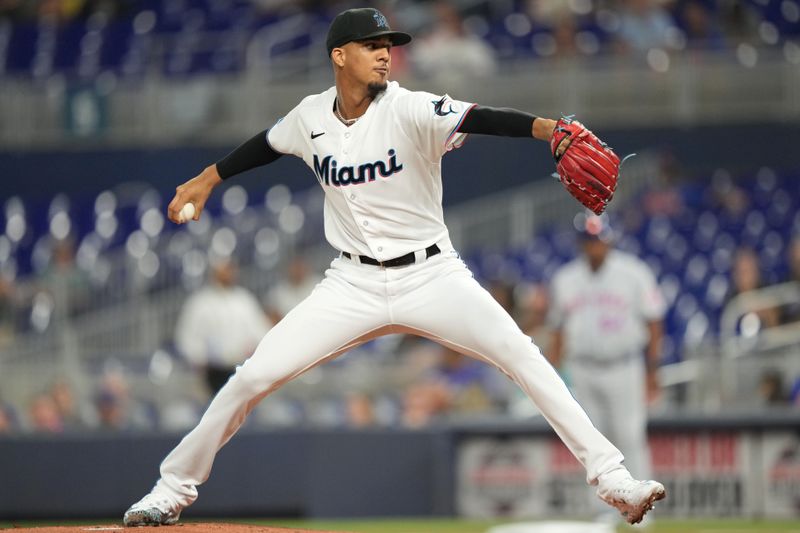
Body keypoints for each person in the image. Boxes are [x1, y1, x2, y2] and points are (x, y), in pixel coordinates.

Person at [123, 7, 665, 527]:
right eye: (372, 46)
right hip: (352, 281)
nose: (385, 55)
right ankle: (171, 489)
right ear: (339, 56)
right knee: (252, 378)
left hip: (432, 275)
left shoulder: (409, 107)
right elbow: (263, 146)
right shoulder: (309, 117)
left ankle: (613, 478)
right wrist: (208, 178)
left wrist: (549, 129)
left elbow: (481, 117)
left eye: (389, 46)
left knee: (523, 355)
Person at [548, 213, 666, 522]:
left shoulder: (634, 272)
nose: (595, 247)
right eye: (589, 241)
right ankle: (603, 512)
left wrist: (653, 371)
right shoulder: (565, 279)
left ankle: (645, 510)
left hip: (625, 365)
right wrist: (554, 376)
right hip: (583, 368)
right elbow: (557, 332)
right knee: (590, 444)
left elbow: (654, 322)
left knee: (630, 435)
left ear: (610, 239)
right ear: (580, 243)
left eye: (599, 240)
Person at [175, 257, 273, 395]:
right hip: (211, 372)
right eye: (222, 270)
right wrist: (200, 358)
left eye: (229, 269)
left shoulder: (244, 300)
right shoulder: (200, 302)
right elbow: (187, 337)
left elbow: (262, 332)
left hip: (241, 369)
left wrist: (254, 352)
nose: (227, 274)